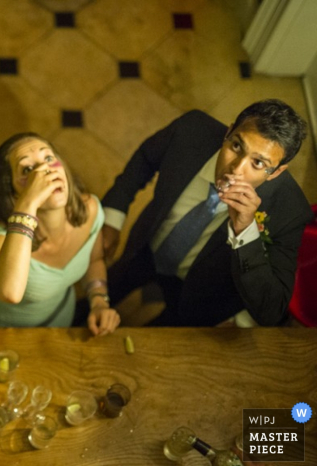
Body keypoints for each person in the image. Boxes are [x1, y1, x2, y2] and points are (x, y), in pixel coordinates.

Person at [100, 99, 313, 326]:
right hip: (147, 246)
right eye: (237, 146)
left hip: (199, 295)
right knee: (109, 287)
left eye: (258, 163)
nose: (236, 170)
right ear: (229, 132)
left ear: (276, 172)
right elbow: (145, 159)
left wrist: (246, 230)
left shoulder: (290, 212)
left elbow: (271, 309)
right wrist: (113, 217)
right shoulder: (191, 130)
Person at [0, 133, 121, 335]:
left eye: (49, 158)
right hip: (3, 330)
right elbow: (10, 293)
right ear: (13, 192)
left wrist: (98, 301)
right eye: (28, 169)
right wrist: (27, 204)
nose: (45, 171)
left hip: (60, 319)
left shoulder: (90, 209)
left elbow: (94, 261)